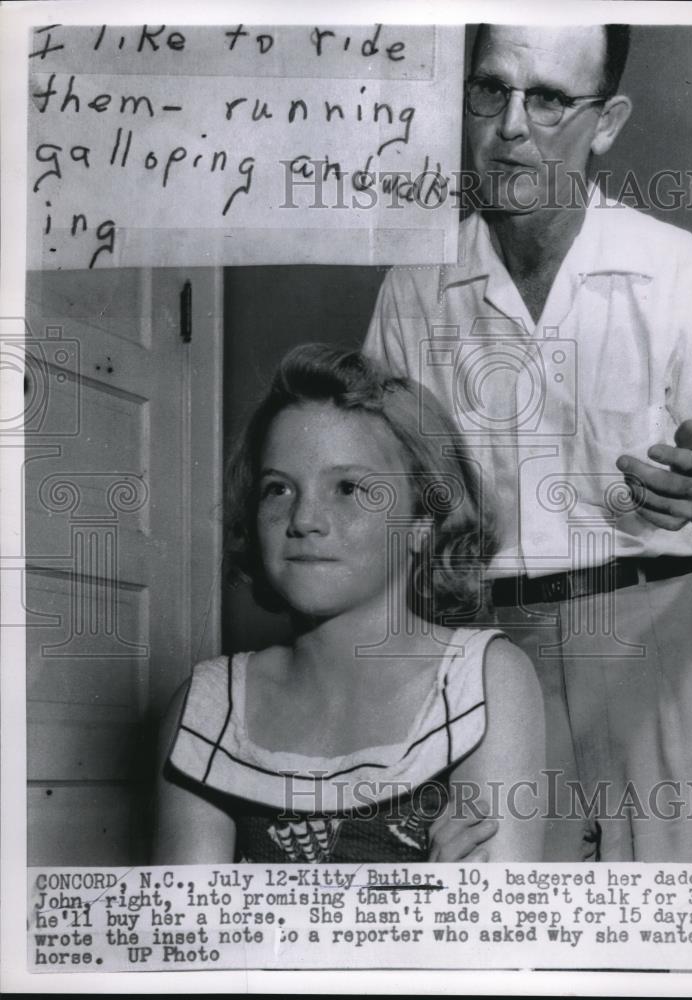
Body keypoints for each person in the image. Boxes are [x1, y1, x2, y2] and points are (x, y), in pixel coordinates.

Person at [364, 24, 692, 862]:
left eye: (547, 98)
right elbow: (377, 508)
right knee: (507, 943)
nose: (510, 125)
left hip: (667, 638)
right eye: (489, 89)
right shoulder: (412, 287)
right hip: (485, 655)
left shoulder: (674, 270)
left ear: (606, 121)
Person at [154, 344, 544, 864]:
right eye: (278, 489)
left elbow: (491, 933)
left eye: (347, 487)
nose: (304, 519)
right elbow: (187, 936)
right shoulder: (206, 707)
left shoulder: (484, 680)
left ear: (422, 524)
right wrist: (427, 896)